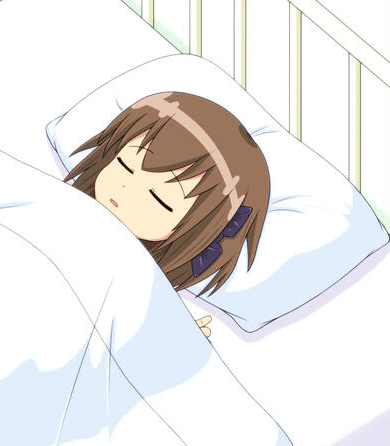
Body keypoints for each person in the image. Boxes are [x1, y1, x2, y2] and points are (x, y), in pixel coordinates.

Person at [65, 92, 270, 337]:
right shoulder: (62, 211)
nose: (124, 191)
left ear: (198, 231)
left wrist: (167, 331)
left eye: (159, 200)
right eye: (124, 166)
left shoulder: (143, 284)